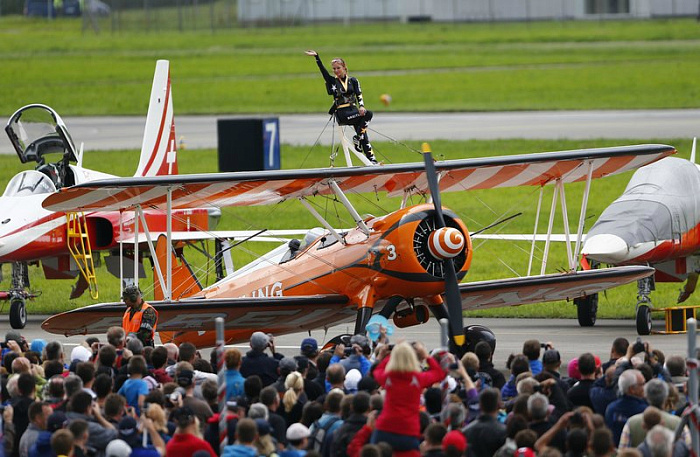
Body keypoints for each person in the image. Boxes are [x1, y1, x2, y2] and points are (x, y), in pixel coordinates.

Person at [305, 49, 378, 165]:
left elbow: (359, 94)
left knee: (364, 132)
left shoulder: (353, 80)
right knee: (368, 116)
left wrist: (362, 106)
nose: (336, 71)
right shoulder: (332, 81)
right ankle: (358, 138)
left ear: (344, 67)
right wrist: (317, 58)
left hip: (353, 110)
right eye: (334, 69)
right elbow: (323, 72)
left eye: (338, 68)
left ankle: (372, 159)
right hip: (342, 113)